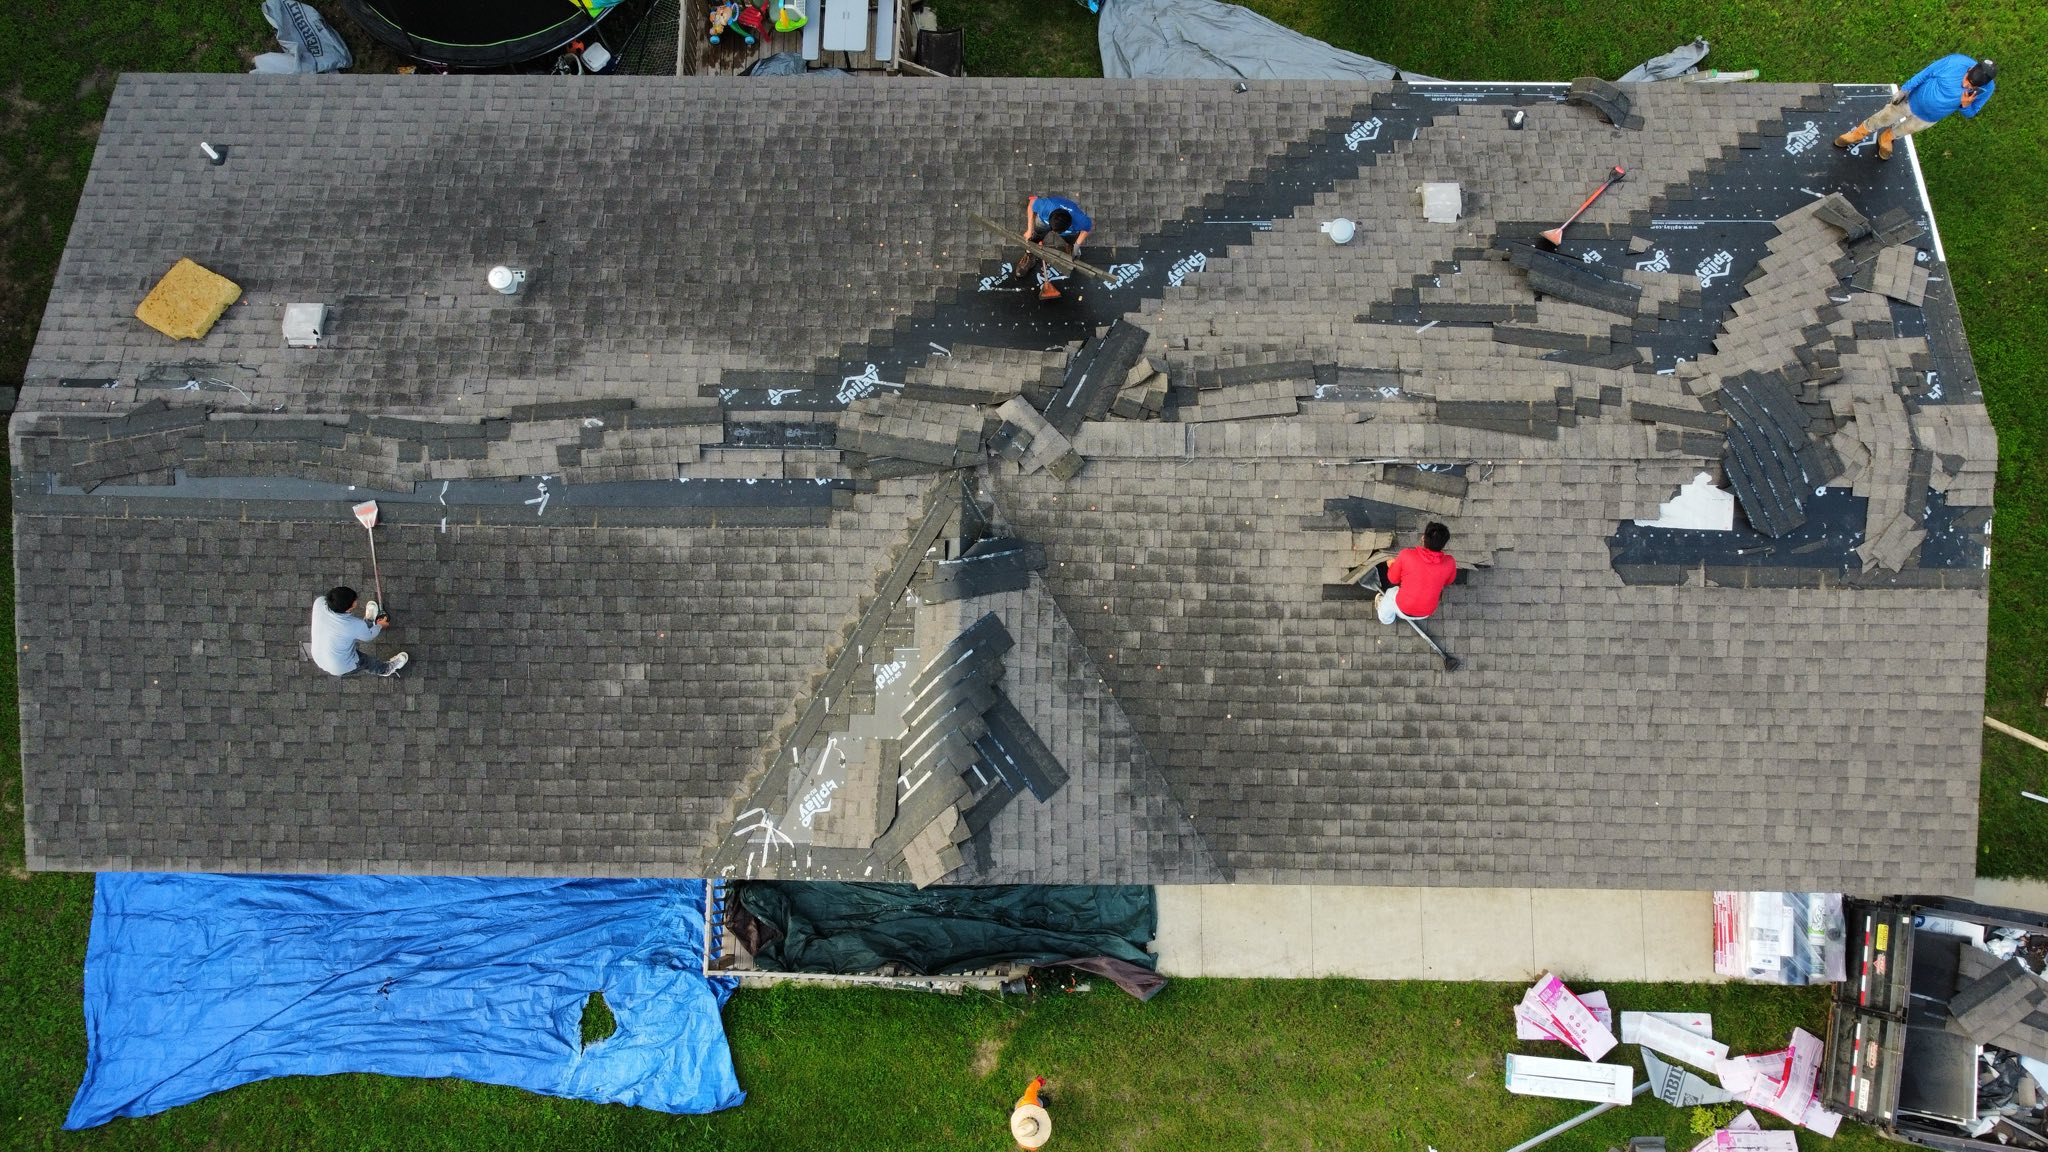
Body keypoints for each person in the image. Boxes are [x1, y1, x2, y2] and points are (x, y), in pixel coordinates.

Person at [1835, 56, 1995, 160]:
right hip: (1910, 101)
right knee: (1882, 117)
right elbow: (1925, 73)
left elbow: (1971, 113)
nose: (1965, 85)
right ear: (1969, 69)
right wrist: (1904, 89)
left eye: (1971, 86)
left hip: (1929, 118)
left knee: (1905, 130)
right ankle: (1857, 134)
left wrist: (1965, 106)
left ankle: (1887, 138)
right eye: (1967, 79)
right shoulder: (1954, 62)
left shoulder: (1987, 90)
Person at [309, 585, 408, 677]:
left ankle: (368, 623)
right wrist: (380, 625)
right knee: (367, 662)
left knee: (355, 631)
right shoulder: (352, 625)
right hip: (341, 666)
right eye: (354, 601)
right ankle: (386, 669)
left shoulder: (320, 602)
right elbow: (369, 636)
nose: (356, 600)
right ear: (347, 609)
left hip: (320, 656)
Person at [1376, 522, 1456, 627]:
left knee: (1391, 592)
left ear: (1423, 538)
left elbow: (1393, 579)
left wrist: (1392, 565)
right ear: (1443, 545)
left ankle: (1386, 619)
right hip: (1426, 612)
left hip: (1402, 607)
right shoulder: (1450, 562)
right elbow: (1449, 581)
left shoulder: (1406, 555)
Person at [1015, 195, 1093, 300]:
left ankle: (1070, 246)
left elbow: (1087, 229)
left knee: (1071, 239)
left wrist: (1076, 246)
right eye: (1054, 230)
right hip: (1043, 222)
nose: (1054, 233)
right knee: (1034, 239)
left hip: (1068, 231)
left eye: (1057, 232)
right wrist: (1030, 229)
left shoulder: (1080, 220)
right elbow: (1032, 202)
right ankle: (1030, 255)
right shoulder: (1045, 207)